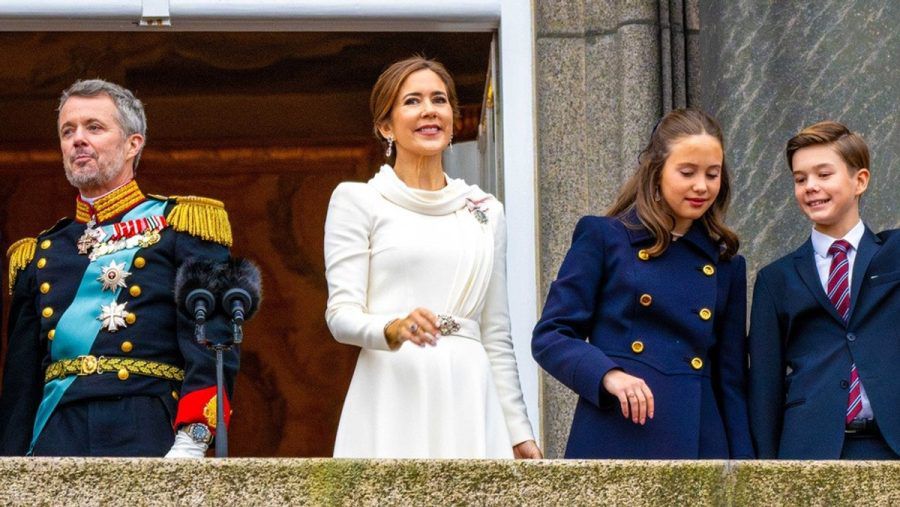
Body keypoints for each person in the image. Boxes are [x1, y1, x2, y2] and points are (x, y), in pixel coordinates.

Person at [0, 79, 237, 457]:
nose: (78, 139)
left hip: (145, 425)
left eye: (94, 127)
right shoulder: (39, 251)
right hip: (55, 433)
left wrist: (192, 438)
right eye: (68, 130)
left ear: (133, 144)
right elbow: (21, 384)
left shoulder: (183, 226)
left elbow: (210, 342)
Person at [324, 56, 541, 458]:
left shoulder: (485, 210)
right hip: (394, 386)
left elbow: (495, 332)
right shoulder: (358, 200)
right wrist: (393, 327)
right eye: (412, 101)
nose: (429, 110)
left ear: (453, 118)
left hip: (470, 392)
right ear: (385, 126)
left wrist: (518, 431)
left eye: (439, 100)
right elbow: (341, 315)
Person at [532, 109, 754, 459]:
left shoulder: (726, 264)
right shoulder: (605, 237)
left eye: (712, 174)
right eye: (687, 172)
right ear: (656, 171)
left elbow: (732, 381)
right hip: (617, 431)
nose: (702, 186)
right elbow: (551, 335)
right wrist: (608, 375)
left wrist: (747, 473)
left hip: (700, 439)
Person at [748, 121, 899, 459]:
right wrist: (767, 473)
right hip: (809, 447)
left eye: (823, 174)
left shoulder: (894, 255)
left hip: (890, 442)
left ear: (860, 180)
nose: (810, 187)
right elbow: (764, 386)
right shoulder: (776, 279)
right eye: (800, 179)